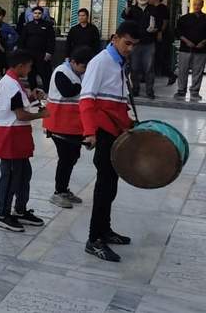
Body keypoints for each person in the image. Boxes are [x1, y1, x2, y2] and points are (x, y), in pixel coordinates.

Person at [79, 21, 139, 262]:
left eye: (134, 45)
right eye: (127, 43)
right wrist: (90, 132)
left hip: (117, 133)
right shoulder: (100, 62)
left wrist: (129, 122)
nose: (130, 48)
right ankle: (94, 239)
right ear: (115, 38)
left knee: (111, 185)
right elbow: (86, 100)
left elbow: (116, 102)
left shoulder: (120, 63)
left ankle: (105, 230)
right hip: (103, 134)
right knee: (104, 188)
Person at [0, 50, 49, 232]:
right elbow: (21, 114)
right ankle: (3, 215)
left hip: (17, 133)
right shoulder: (11, 85)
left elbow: (17, 104)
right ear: (20, 66)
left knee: (23, 174)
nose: (30, 70)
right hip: (10, 134)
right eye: (29, 66)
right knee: (11, 176)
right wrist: (42, 115)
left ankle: (20, 210)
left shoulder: (13, 80)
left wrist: (31, 97)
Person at [45, 46, 94, 209]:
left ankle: (64, 189)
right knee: (65, 158)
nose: (85, 70)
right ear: (73, 62)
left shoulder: (81, 73)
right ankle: (58, 192)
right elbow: (68, 91)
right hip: (59, 123)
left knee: (73, 157)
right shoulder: (61, 71)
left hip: (74, 125)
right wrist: (85, 85)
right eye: (83, 67)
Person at [122, 0, 156, 97]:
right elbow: (125, 16)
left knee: (149, 68)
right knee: (134, 67)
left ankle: (149, 91)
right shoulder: (132, 9)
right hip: (135, 43)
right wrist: (127, 7)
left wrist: (154, 29)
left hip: (149, 43)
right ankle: (135, 89)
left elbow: (159, 24)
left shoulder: (152, 9)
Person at [175, 0, 206, 100]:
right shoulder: (184, 18)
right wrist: (187, 41)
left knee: (198, 71)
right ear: (192, 5)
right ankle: (181, 90)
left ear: (202, 5)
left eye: (199, 5)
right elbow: (178, 32)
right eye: (195, 4)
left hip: (201, 50)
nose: (197, 6)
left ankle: (195, 92)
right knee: (182, 70)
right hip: (185, 49)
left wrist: (203, 42)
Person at [19, 6, 56, 91]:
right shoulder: (28, 25)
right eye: (35, 13)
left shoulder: (48, 25)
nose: (37, 15)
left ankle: (47, 93)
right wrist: (23, 54)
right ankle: (34, 93)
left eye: (39, 13)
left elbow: (51, 40)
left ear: (42, 14)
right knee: (31, 76)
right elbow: (22, 40)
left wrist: (49, 52)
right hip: (30, 55)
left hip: (43, 55)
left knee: (46, 76)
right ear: (32, 14)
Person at [149, 0, 176, 85]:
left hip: (162, 37)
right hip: (153, 35)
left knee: (161, 57)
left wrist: (160, 32)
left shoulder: (162, 8)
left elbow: (165, 21)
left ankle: (170, 74)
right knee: (155, 57)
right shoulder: (152, 8)